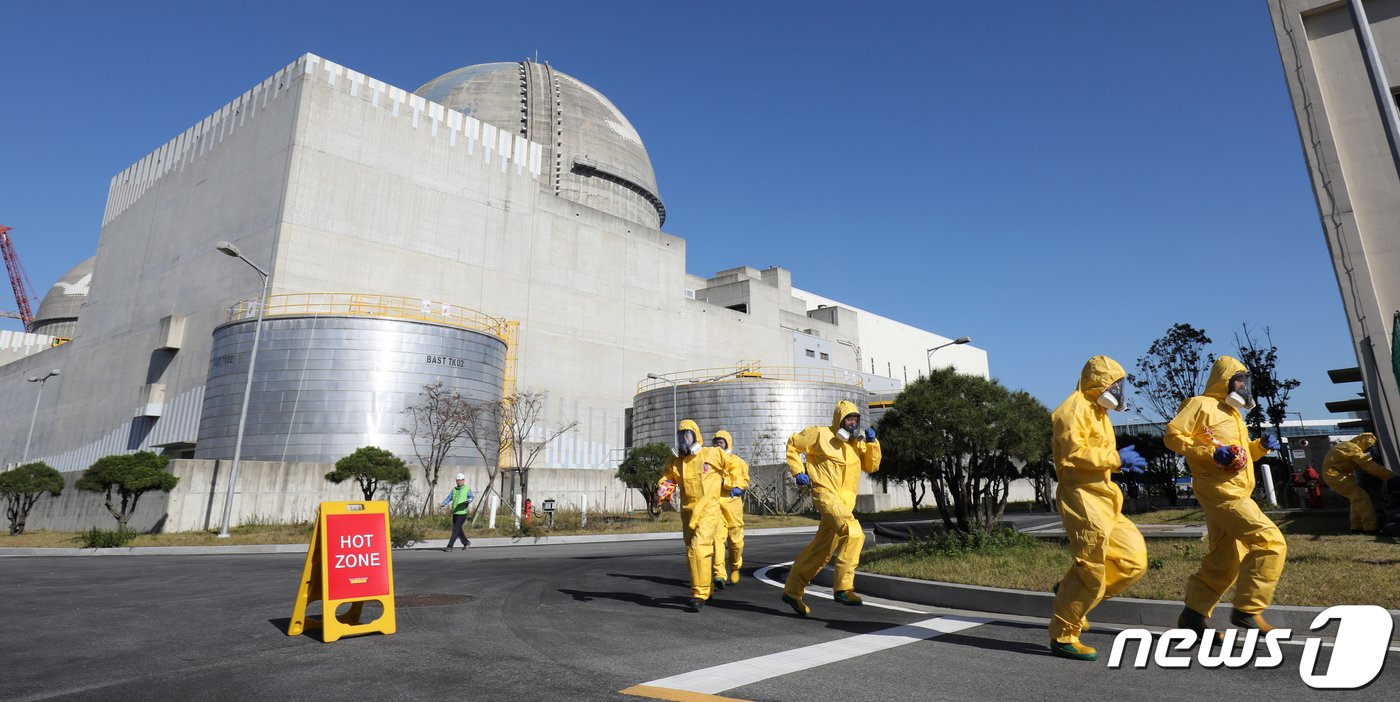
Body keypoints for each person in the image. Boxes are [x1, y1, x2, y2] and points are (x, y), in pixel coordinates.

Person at [1165, 356, 1286, 634]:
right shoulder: (1199, 404)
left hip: (1236, 490)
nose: (1245, 387)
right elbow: (1173, 436)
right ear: (1226, 380)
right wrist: (1209, 452)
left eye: (1246, 382)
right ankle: (1248, 609)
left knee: (1226, 558)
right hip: (1220, 491)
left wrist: (1260, 446)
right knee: (1270, 541)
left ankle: (1193, 616)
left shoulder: (1234, 414)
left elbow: (1239, 457)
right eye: (1240, 380)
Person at [1047, 356, 1148, 662]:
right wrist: (1117, 460)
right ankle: (1063, 634)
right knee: (1092, 570)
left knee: (1133, 562)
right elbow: (1073, 455)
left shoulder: (1099, 411)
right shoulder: (1071, 410)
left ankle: (1069, 592)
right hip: (1081, 499)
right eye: (1115, 384)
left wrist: (1115, 462)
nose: (1119, 390)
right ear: (1100, 382)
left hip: (1105, 497)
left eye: (1120, 385)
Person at [781, 399, 881, 616]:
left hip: (845, 505)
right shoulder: (819, 434)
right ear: (839, 419)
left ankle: (792, 591)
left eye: (855, 419)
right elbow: (792, 445)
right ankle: (843, 588)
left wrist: (873, 444)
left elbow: (872, 466)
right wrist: (798, 471)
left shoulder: (856, 444)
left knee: (821, 551)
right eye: (848, 418)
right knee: (854, 534)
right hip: (825, 495)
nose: (852, 423)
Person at [657, 419, 734, 612]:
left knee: (699, 548)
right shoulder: (676, 462)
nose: (684, 440)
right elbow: (667, 478)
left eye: (687, 436)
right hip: (688, 512)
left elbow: (735, 467)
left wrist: (733, 484)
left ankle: (698, 594)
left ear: (696, 436)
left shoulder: (712, 454)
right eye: (680, 436)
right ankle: (706, 588)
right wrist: (664, 487)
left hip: (709, 510)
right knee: (694, 551)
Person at [1322, 433, 1394, 534]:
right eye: (1369, 447)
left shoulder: (1346, 446)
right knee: (1362, 497)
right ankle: (1371, 528)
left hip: (1336, 476)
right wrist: (1390, 476)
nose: (1368, 450)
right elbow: (1368, 465)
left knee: (1356, 499)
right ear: (1364, 442)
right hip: (1335, 476)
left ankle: (1356, 527)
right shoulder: (1352, 448)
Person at [710, 430, 750, 587]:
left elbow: (741, 480)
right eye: (715, 441)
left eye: (721, 441)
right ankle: (719, 574)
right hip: (715, 505)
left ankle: (735, 566)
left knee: (736, 542)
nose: (717, 444)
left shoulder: (737, 462)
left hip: (733, 507)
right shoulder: (709, 463)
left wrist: (726, 483)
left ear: (728, 443)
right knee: (717, 539)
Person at [441, 474, 473, 552]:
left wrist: (468, 501)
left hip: (462, 513)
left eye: (460, 480)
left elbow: (471, 497)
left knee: (455, 530)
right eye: (457, 480)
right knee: (458, 530)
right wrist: (444, 503)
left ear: (463, 480)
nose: (459, 481)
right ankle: (466, 543)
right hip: (455, 513)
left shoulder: (467, 489)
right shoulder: (454, 489)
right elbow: (449, 497)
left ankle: (449, 546)